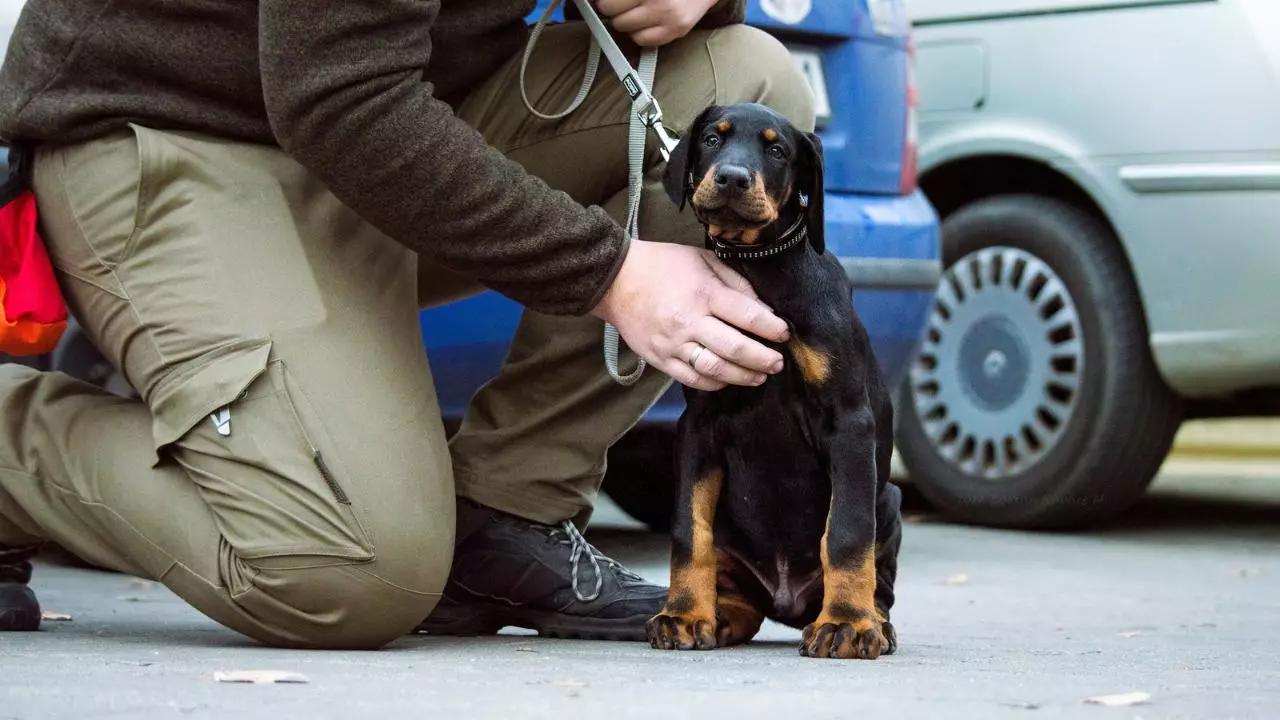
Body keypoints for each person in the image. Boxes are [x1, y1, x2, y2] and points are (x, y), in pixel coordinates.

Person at [0, 0, 815, 648]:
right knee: (346, 572)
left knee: (742, 78)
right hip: (179, 128)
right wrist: (612, 273)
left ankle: (506, 509)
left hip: (409, 118)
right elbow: (338, 98)